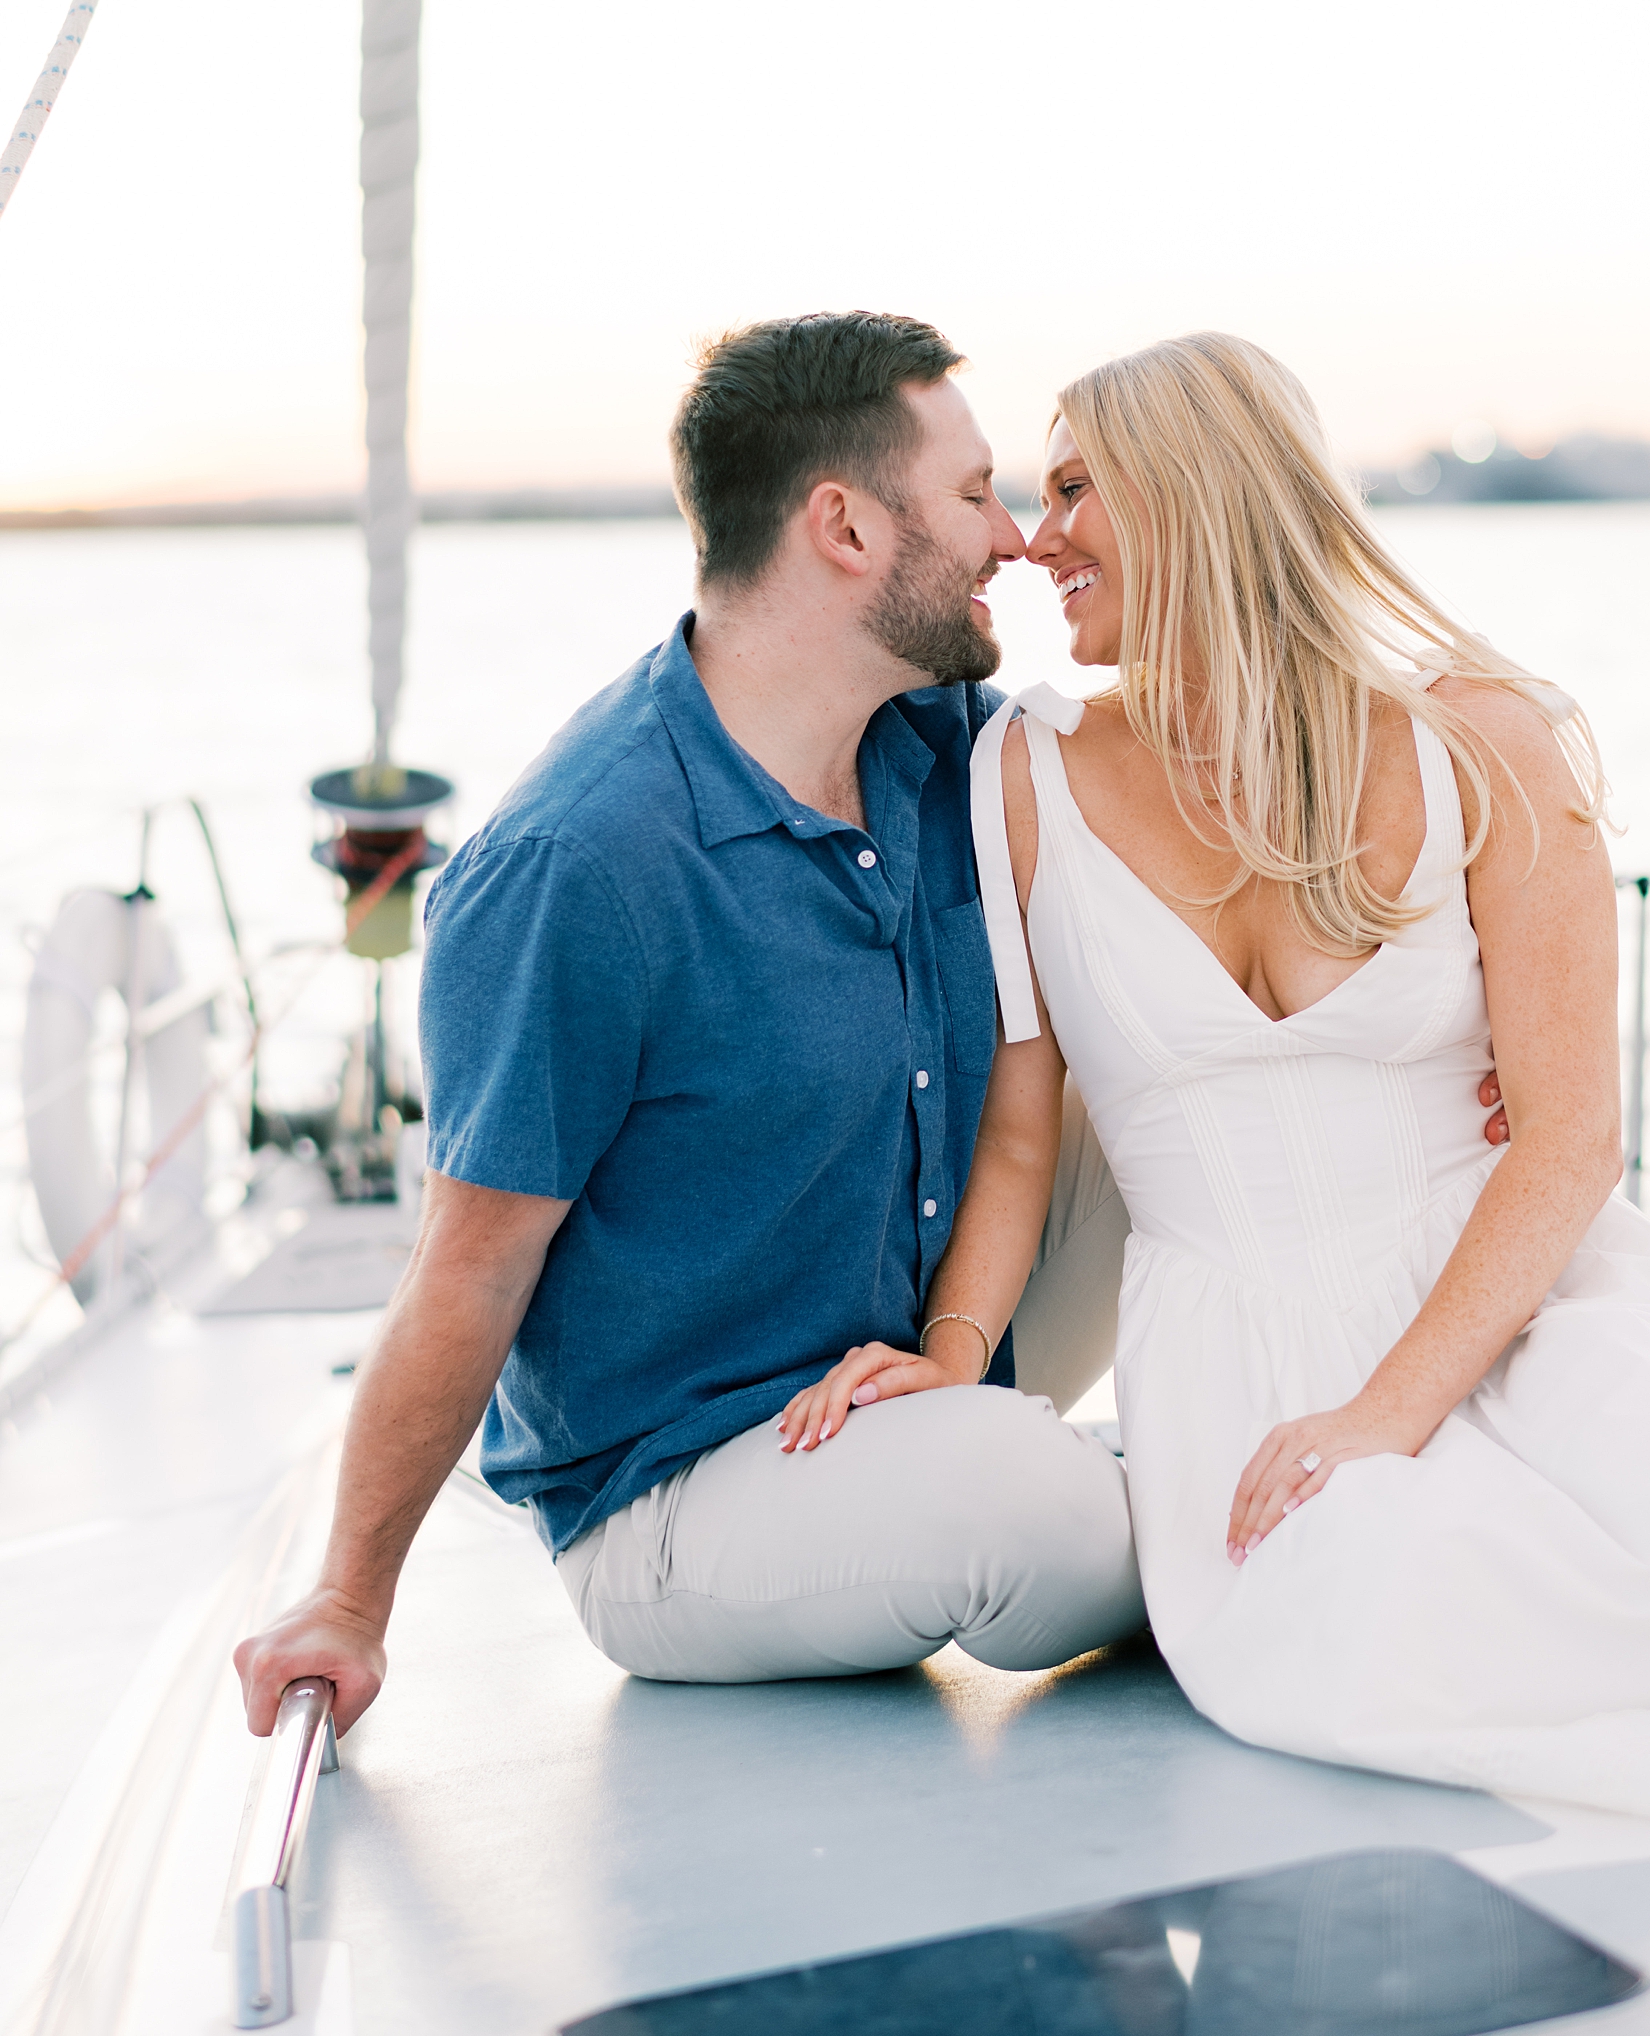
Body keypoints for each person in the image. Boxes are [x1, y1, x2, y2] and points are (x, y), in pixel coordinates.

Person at [778, 330, 1650, 1821]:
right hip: (1238, 1344)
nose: (1035, 542)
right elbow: (1022, 1141)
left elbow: (1569, 1141)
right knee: (1368, 1642)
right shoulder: (1015, 777)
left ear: (1201, 492)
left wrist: (1385, 1415)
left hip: (1511, 1303)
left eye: (1078, 488)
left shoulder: (1484, 738)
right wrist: (955, 1359)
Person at [235, 310, 1149, 1734]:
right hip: (686, 1492)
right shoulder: (577, 866)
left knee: (1197, 1090)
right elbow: (469, 1267)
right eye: (975, 494)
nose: (1015, 540)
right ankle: (1242, 1509)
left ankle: (1317, 1440)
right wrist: (349, 1600)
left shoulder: (946, 749)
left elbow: (1213, 802)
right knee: (1033, 1506)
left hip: (930, 1351)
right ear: (845, 527)